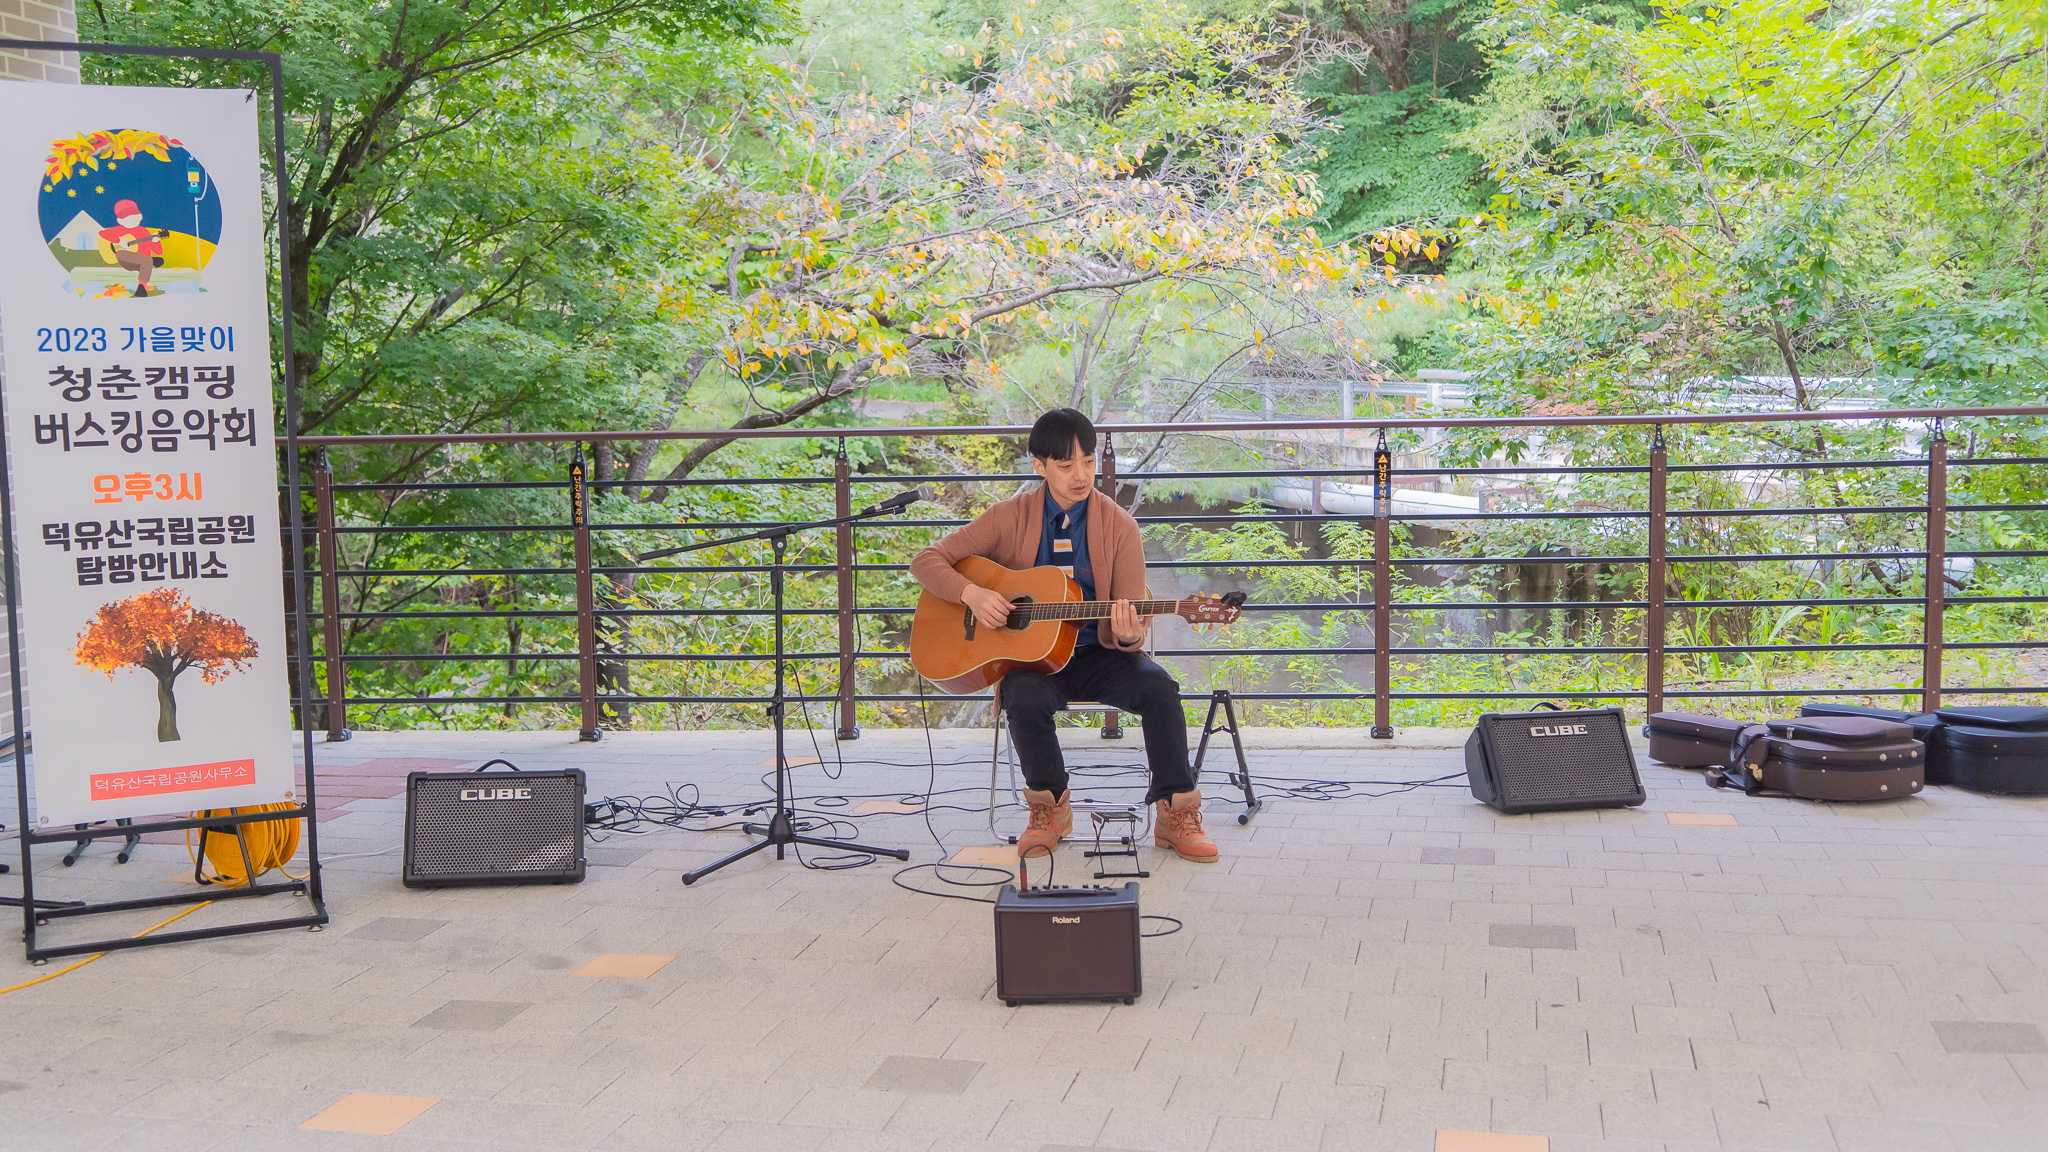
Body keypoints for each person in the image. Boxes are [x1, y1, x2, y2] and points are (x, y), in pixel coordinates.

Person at [909, 408, 1218, 863]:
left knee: (1160, 689)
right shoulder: (1007, 517)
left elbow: (1130, 622)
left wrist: (1130, 634)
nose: (1082, 475)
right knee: (1022, 696)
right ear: (1040, 466)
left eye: (1089, 462)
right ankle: (1049, 810)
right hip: (1034, 661)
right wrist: (971, 593)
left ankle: (1176, 813)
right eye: (1067, 464)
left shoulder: (1120, 527)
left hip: (1101, 655)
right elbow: (926, 561)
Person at [98, 199, 163, 296]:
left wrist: (156, 241)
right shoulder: (119, 230)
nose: (133, 220)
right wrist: (119, 241)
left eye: (135, 218)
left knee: (147, 261)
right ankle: (152, 260)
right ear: (121, 220)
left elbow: (159, 252)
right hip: (127, 261)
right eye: (129, 218)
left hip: (143, 264)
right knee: (120, 253)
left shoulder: (144, 232)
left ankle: (141, 288)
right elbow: (102, 233)